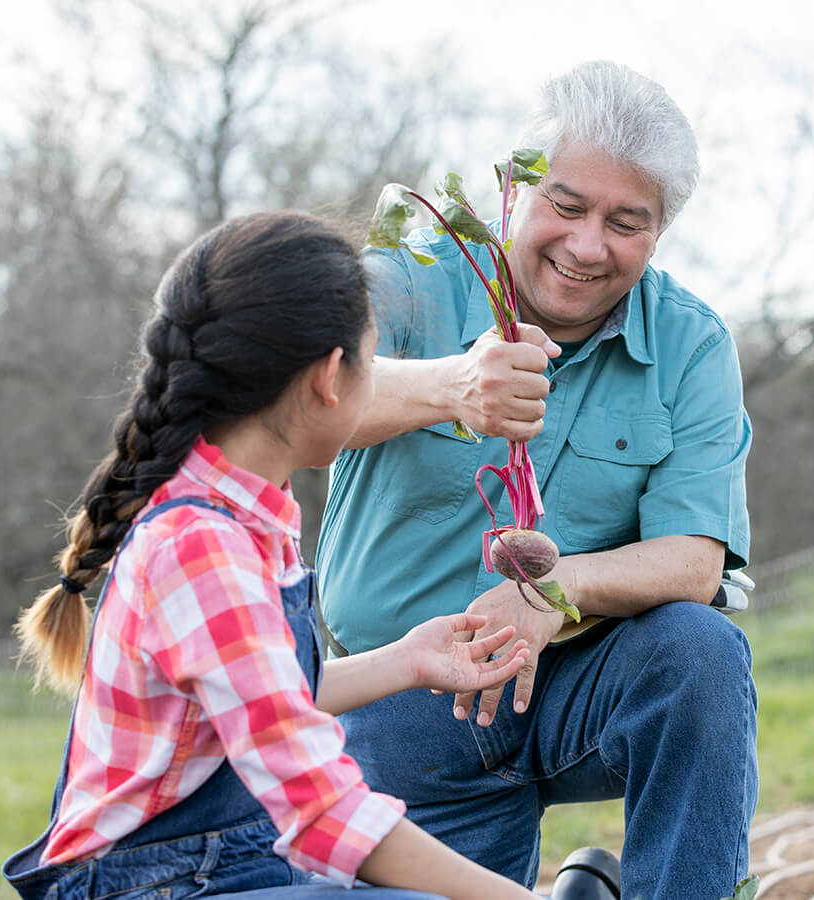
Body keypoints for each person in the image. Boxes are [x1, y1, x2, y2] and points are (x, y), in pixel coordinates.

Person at [3, 211, 544, 900]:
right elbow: (324, 811)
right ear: (328, 377)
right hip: (152, 884)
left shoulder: (242, 513)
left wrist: (408, 660)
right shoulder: (205, 551)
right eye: (371, 363)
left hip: (223, 868)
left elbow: (257, 696)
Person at [317, 61, 758, 900]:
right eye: (565, 204)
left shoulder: (693, 345)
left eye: (626, 222)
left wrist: (561, 589)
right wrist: (451, 386)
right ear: (516, 191)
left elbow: (696, 562)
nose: (588, 246)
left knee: (700, 655)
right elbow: (301, 397)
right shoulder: (414, 277)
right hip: (403, 694)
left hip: (577, 686)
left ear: (658, 232)